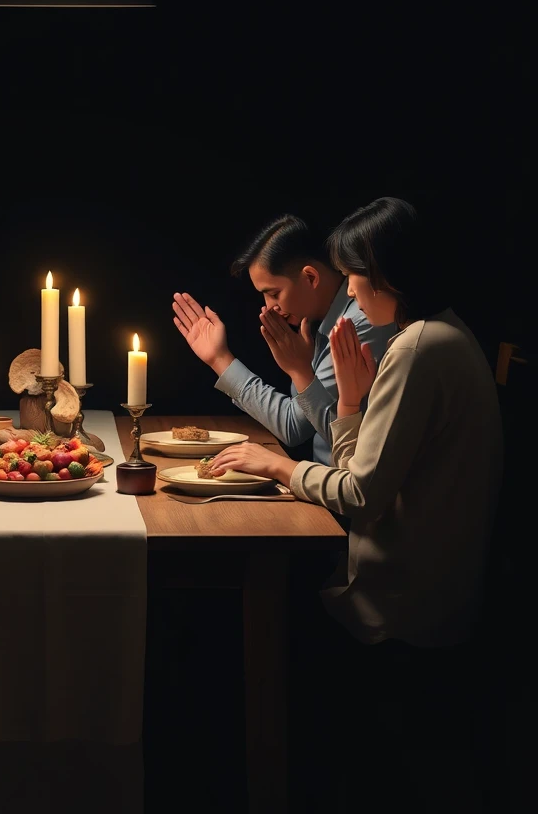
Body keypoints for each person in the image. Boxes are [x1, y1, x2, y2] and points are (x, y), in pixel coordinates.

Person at [207, 197, 504, 813]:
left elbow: (360, 497)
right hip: (430, 585)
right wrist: (344, 403)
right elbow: (355, 472)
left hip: (402, 599)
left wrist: (282, 467)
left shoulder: (417, 349)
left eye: (357, 278)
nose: (353, 294)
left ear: (390, 276)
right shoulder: (436, 333)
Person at [172, 213, 397, 466]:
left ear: (311, 277)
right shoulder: (315, 322)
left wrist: (223, 360)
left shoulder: (357, 322)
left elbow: (297, 427)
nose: (269, 308)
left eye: (274, 293)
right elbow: (300, 421)